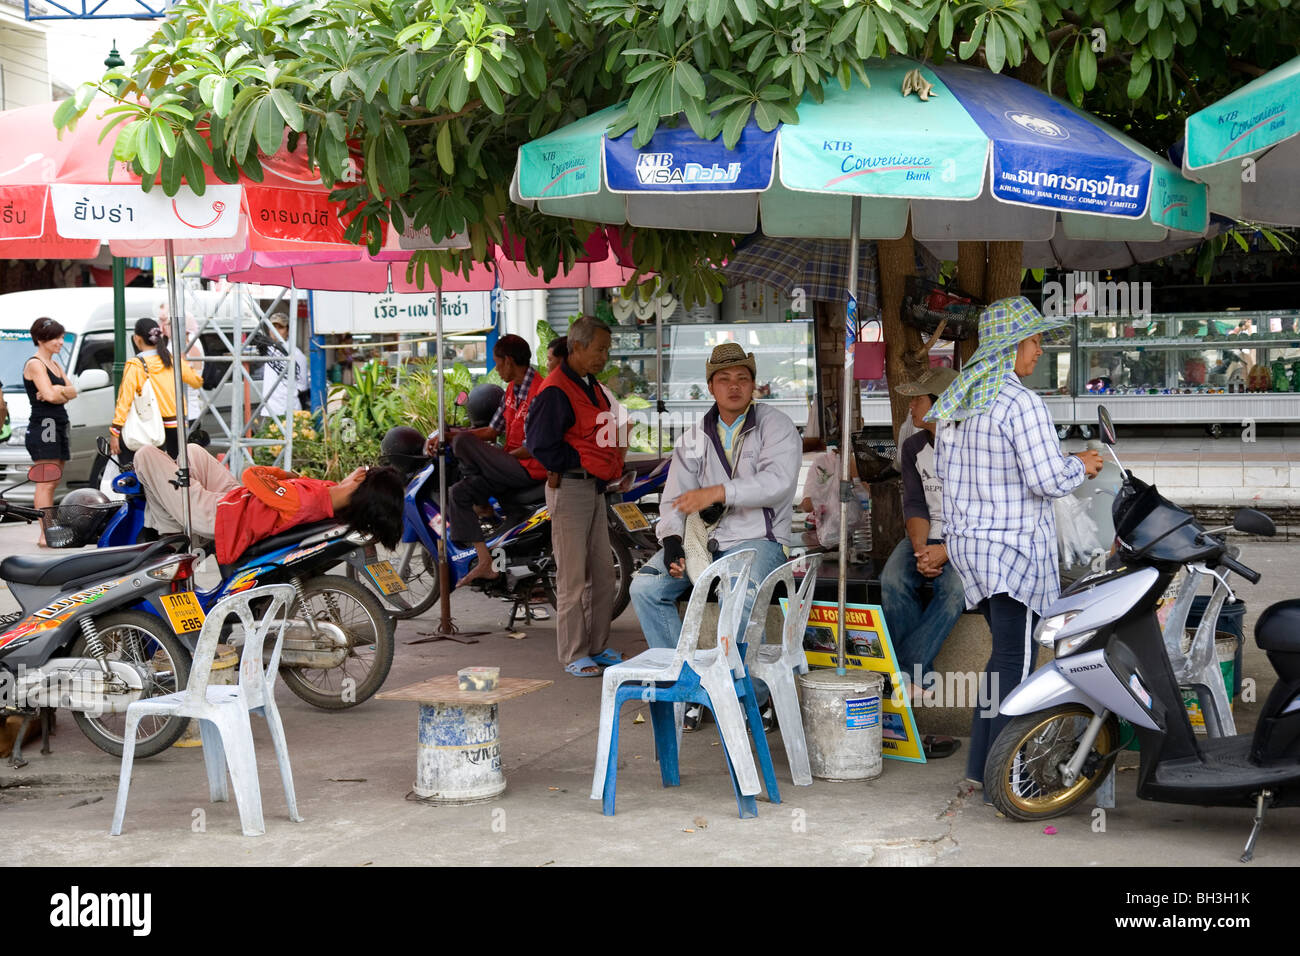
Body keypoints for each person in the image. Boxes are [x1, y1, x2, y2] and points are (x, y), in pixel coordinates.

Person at [927, 297, 1103, 791]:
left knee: (1002, 658)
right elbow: (1047, 480)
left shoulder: (959, 401)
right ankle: (1011, 779)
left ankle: (978, 770)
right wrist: (1081, 466)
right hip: (1013, 553)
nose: (1039, 350)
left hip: (973, 551)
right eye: (1034, 340)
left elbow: (953, 475)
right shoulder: (1020, 402)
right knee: (1018, 664)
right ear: (1012, 345)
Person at [629, 342, 801, 728]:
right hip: (705, 544)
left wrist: (721, 491)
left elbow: (777, 483)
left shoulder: (776, 425)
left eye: (742, 378)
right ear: (710, 386)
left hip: (760, 540)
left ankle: (750, 696)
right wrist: (672, 541)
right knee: (644, 589)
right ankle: (690, 685)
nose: (734, 386)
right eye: (724, 379)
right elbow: (674, 499)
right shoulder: (694, 436)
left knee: (733, 595)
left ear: (754, 385)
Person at [525, 315, 626, 677]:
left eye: (607, 350)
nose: (604, 356)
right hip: (569, 488)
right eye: (600, 349)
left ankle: (597, 646)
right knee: (572, 577)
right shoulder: (555, 389)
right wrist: (579, 461)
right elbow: (538, 444)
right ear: (577, 347)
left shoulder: (590, 384)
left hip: (593, 488)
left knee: (602, 572)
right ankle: (573, 653)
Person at [879, 366, 965, 760]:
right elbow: (913, 502)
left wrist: (945, 552)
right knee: (894, 579)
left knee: (954, 589)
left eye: (918, 399)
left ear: (941, 404)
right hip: (925, 533)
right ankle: (910, 682)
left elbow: (980, 511)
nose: (911, 405)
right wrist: (920, 549)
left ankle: (900, 680)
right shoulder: (914, 446)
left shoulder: (970, 445)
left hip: (968, 537)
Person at [132, 443, 404, 565]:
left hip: (220, 515)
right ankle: (176, 529)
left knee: (145, 455)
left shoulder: (310, 500)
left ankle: (173, 536)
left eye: (365, 467)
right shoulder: (329, 497)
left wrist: (288, 476)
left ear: (360, 477)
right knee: (192, 451)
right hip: (242, 505)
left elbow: (251, 475)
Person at [441, 334, 547, 587]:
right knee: (458, 493)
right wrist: (450, 434)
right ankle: (484, 561)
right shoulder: (511, 390)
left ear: (509, 361)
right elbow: (491, 431)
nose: (497, 369)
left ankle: (484, 503)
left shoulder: (539, 392)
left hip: (529, 468)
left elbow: (532, 447)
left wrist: (491, 456)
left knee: (463, 443)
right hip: (509, 465)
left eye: (498, 363)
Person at [109, 317, 204, 460]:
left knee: (152, 472)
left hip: (152, 427)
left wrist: (115, 431)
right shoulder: (172, 359)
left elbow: (124, 400)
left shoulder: (136, 365)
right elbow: (197, 382)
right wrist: (185, 362)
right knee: (178, 471)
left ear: (137, 339)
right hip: (178, 424)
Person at [23, 317, 75, 546]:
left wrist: (57, 389)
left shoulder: (55, 364)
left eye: (62, 337)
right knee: (46, 481)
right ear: (42, 339)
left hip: (59, 423)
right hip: (45, 426)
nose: (61, 342)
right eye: (56, 337)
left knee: (54, 481)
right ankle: (46, 533)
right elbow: (52, 396)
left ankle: (50, 529)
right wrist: (56, 392)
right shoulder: (35, 363)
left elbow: (73, 391)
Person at [259, 312, 308, 422]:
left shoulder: (296, 354)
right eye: (273, 327)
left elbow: (302, 386)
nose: (275, 331)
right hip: (269, 411)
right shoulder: (268, 350)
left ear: (288, 330)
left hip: (288, 412)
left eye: (280, 327)